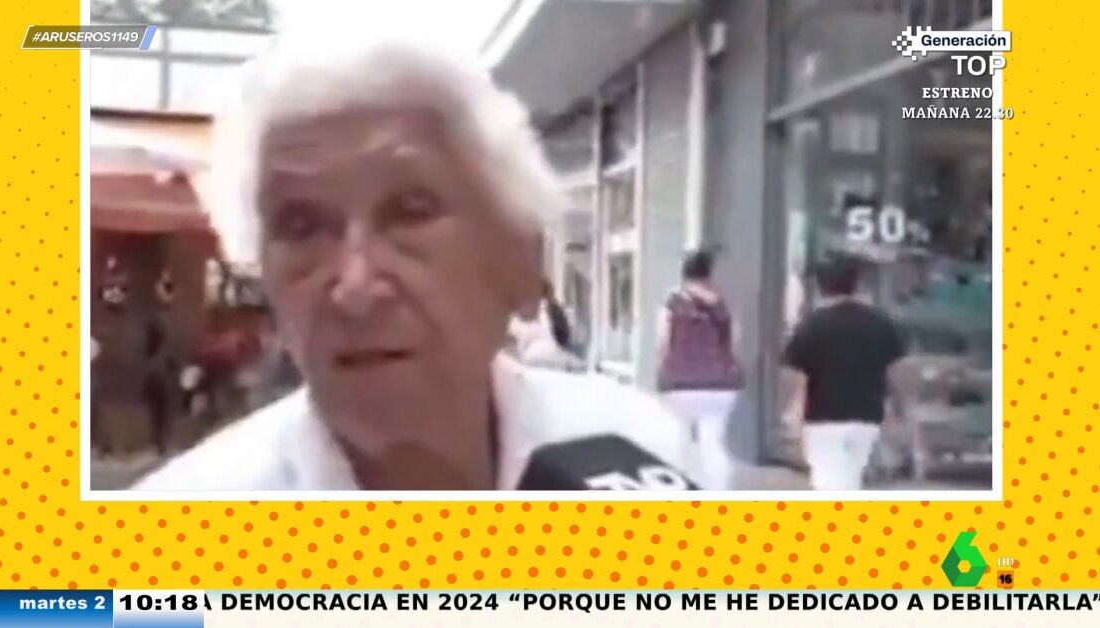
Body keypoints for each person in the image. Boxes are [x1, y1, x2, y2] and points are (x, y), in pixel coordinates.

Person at [131, 34, 694, 491]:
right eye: (301, 228)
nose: (354, 288)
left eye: (410, 213)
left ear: (520, 261)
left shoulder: (651, 455)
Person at [782, 257, 906, 491]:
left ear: (820, 287)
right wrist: (897, 408)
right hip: (867, 415)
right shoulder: (879, 323)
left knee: (826, 476)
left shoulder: (812, 325)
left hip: (822, 416)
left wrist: (794, 411)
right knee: (851, 475)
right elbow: (894, 372)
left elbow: (800, 376)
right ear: (855, 285)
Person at [656, 249, 744, 491]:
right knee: (712, 441)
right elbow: (734, 344)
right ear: (709, 274)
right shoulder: (723, 305)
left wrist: (663, 370)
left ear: (684, 274)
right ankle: (720, 492)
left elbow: (663, 342)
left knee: (680, 439)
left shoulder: (672, 303)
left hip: (680, 382)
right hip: (720, 384)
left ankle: (683, 490)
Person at [507, 279, 580, 371]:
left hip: (527, 360)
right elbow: (564, 336)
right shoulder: (552, 307)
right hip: (552, 355)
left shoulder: (518, 311)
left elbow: (511, 337)